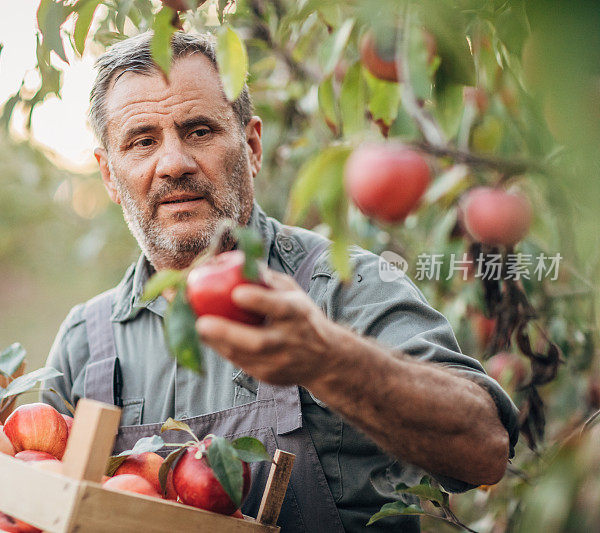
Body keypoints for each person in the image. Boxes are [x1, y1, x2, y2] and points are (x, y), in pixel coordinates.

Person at [42, 32, 518, 532]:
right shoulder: (85, 343)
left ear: (250, 147)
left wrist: (330, 359)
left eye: (200, 130)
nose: (175, 163)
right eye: (143, 141)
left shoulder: (345, 284)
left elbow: (485, 450)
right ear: (110, 177)